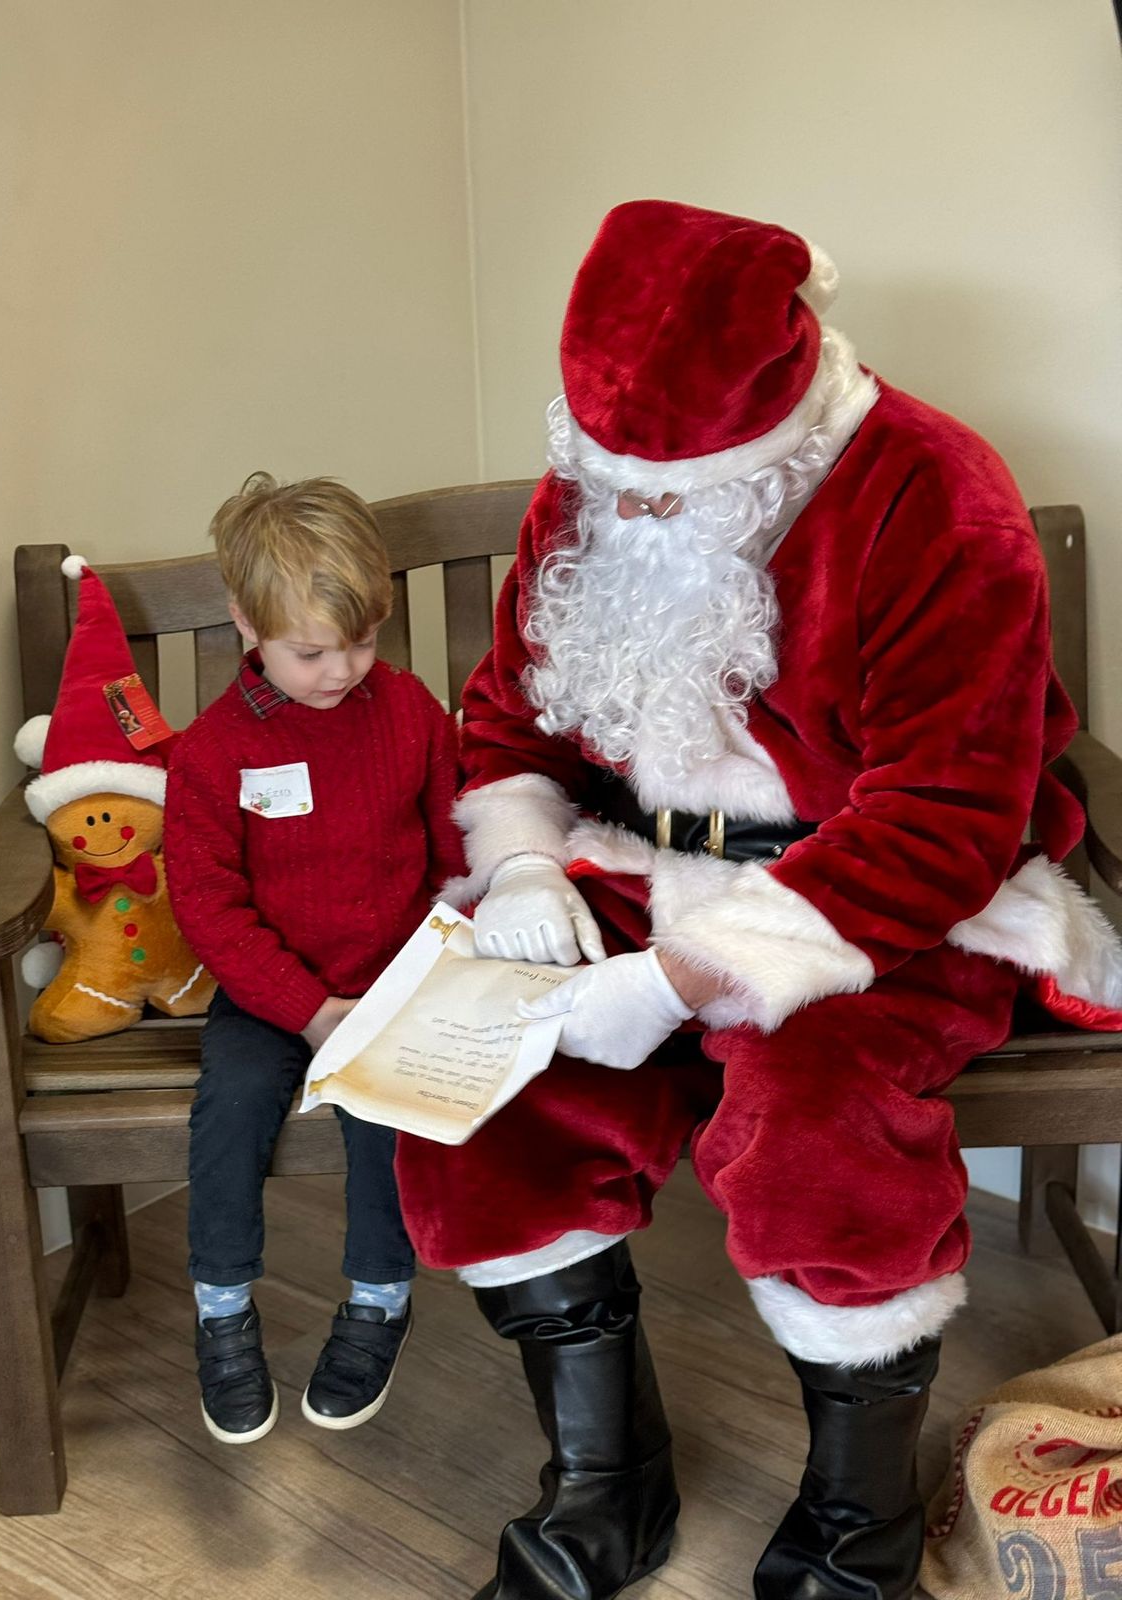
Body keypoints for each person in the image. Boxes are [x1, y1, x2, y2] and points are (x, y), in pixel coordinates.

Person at [393, 201, 1122, 1600]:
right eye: (617, 483)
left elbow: (947, 818)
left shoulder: (934, 488)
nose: (637, 511)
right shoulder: (587, 487)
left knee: (815, 1104)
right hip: (631, 857)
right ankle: (608, 1481)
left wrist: (678, 981)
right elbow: (511, 725)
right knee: (483, 1067)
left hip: (880, 894)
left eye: (674, 488)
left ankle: (859, 1522)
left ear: (777, 421)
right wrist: (532, 860)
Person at [164, 473, 464, 1445]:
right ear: (245, 624)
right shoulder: (213, 755)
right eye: (311, 652)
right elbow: (210, 908)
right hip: (267, 994)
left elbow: (455, 848)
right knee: (233, 1107)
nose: (341, 669)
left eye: (363, 641)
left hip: (393, 980)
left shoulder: (411, 712)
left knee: (384, 1113)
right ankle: (222, 1308)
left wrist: (449, 956)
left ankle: (378, 1297)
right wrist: (304, 1009)